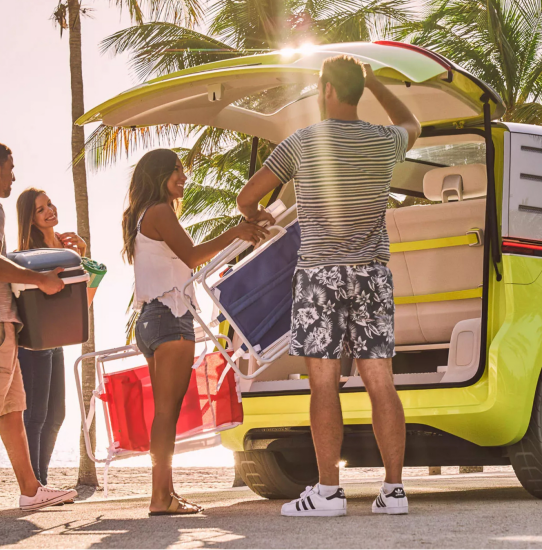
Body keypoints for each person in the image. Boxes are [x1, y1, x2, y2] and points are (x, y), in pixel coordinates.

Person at [237, 56, 421, 517]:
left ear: (326, 90)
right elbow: (412, 123)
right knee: (381, 382)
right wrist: (377, 82)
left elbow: (246, 196)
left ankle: (328, 494)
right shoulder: (384, 141)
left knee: (323, 384)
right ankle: (394, 491)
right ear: (356, 90)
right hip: (371, 272)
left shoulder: (302, 143)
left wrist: (253, 219)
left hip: (319, 274)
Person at [122, 148, 272, 516]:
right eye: (176, 171)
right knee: (167, 413)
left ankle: (166, 495)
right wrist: (235, 231)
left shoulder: (144, 215)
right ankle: (160, 497)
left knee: (165, 413)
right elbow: (192, 256)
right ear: (159, 174)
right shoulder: (158, 212)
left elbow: (186, 260)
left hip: (152, 319)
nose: (183, 178)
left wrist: (237, 237)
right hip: (170, 318)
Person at [0, 141, 77, 510]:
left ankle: (31, 491)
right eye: (10, 167)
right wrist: (40, 280)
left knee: (13, 410)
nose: (14, 175)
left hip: (4, 321)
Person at [15, 188, 87, 487]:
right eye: (40, 209)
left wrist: (81, 252)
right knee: (36, 415)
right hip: (33, 341)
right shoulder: (27, 253)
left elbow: (79, 289)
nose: (49, 211)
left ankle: (41, 482)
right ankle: (36, 485)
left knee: (57, 414)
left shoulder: (64, 247)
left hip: (56, 338)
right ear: (30, 219)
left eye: (50, 204)